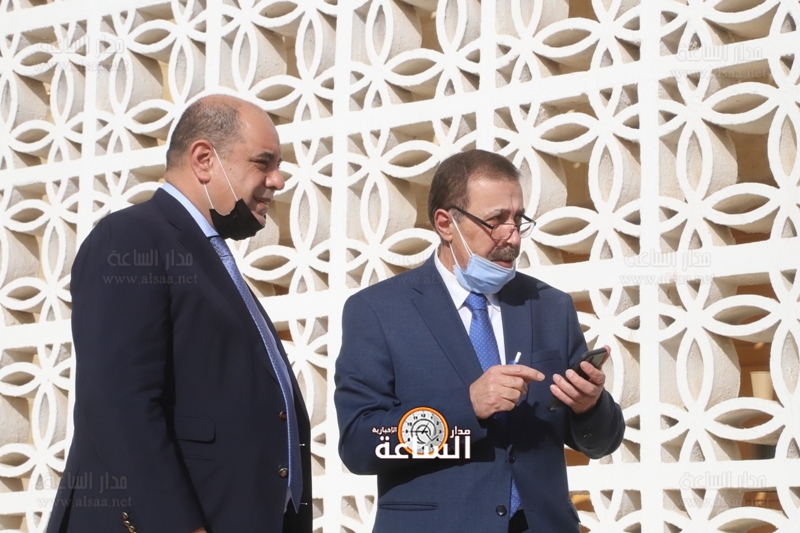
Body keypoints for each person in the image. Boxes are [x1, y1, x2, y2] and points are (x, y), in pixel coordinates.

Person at [47, 95, 312, 533]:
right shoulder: (131, 238)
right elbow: (118, 403)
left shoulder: (208, 257)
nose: (277, 180)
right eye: (263, 163)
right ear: (204, 160)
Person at [335, 149, 625, 533]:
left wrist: (589, 406)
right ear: (445, 223)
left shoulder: (550, 306)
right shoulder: (378, 310)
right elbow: (360, 444)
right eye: (496, 221)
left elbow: (599, 443)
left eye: (518, 220)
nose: (512, 236)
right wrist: (466, 407)